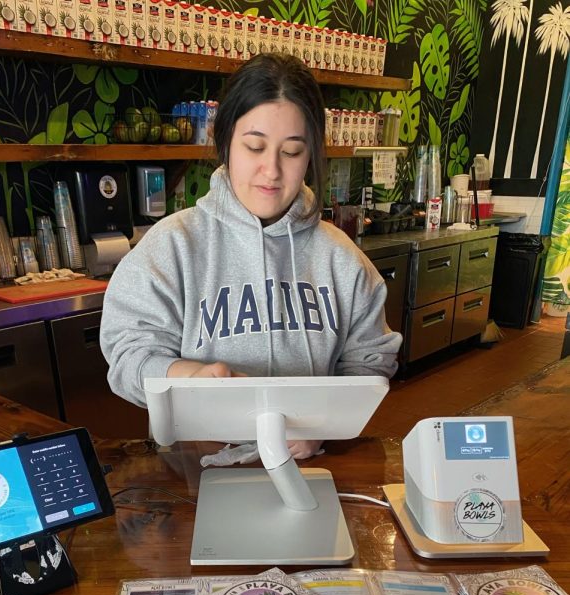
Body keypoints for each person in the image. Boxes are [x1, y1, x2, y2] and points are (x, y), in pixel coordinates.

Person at [100, 53, 402, 459]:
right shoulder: (171, 246)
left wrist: (324, 428)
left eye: (292, 152)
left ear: (311, 154)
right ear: (225, 143)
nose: (271, 170)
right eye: (255, 147)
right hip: (195, 468)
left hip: (309, 468)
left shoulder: (342, 259)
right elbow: (127, 355)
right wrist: (185, 376)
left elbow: (370, 361)